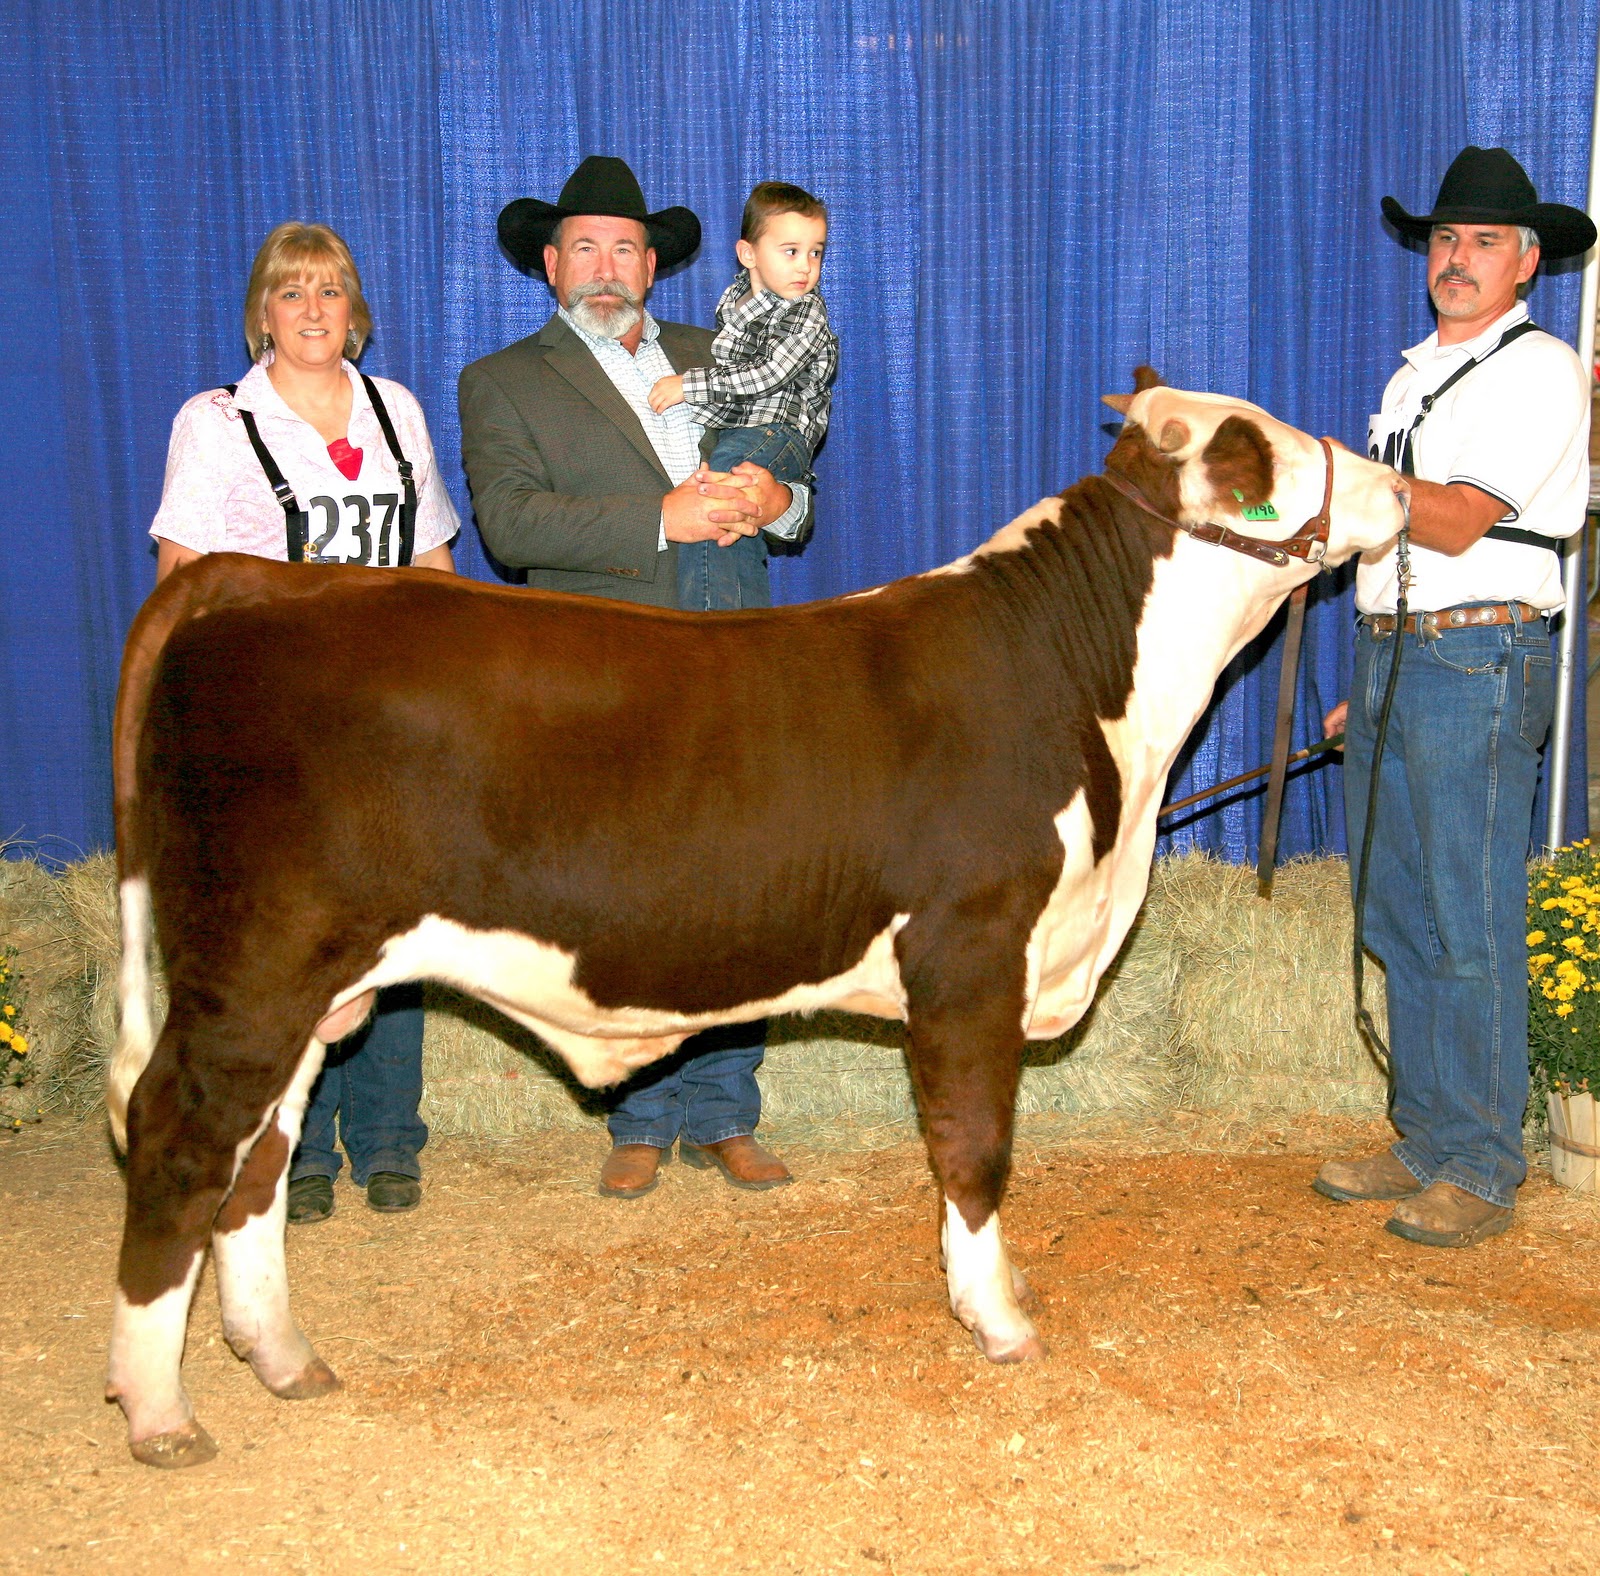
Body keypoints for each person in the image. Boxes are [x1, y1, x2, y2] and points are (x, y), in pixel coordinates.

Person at [459, 155, 802, 1199]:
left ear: (652, 265)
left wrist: (776, 495)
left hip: (736, 658)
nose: (605, 267)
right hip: (604, 672)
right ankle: (641, 1113)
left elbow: (799, 496)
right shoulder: (503, 381)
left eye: (624, 248)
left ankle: (727, 1108)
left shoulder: (724, 354)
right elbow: (512, 524)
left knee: (741, 893)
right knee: (628, 896)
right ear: (551, 266)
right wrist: (664, 517)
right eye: (584, 249)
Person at [150, 221, 460, 1224]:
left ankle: (389, 1139)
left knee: (395, 920)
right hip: (276, 714)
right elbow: (182, 580)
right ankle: (301, 1141)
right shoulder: (215, 421)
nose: (315, 310)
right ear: (262, 313)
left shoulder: (394, 409)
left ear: (354, 309)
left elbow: (431, 566)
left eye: (331, 290)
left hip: (387, 710)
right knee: (292, 930)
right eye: (293, 293)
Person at [1316, 147, 1595, 1247]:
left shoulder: (1536, 369)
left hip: (1478, 655)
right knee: (1397, 908)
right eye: (1443, 239)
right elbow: (1391, 536)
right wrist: (1369, 669)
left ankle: (1480, 1161)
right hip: (1396, 648)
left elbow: (1454, 518)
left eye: (1482, 242)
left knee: (1467, 917)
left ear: (1527, 261)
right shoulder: (1410, 375)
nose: (1456, 259)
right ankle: (1425, 1132)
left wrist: (1325, 472)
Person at [647, 180, 838, 612]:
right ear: (748, 254)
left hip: (778, 432)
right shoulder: (735, 302)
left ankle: (720, 625)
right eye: (791, 251)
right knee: (728, 507)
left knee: (721, 497)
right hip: (746, 431)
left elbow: (766, 376)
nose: (806, 265)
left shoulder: (807, 316)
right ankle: (742, 623)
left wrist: (688, 386)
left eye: (816, 252)